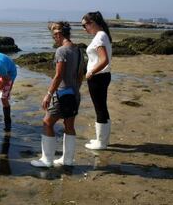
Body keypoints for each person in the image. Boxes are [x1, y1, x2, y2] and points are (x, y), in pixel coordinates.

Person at [31, 22, 84, 167]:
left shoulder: (61, 51)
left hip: (62, 94)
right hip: (74, 94)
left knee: (47, 123)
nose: (53, 38)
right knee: (69, 125)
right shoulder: (78, 50)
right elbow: (81, 74)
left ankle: (47, 160)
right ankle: (67, 160)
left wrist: (48, 94)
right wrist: (75, 90)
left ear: (58, 34)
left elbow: (58, 75)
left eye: (53, 35)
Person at [82, 11, 113, 150]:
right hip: (103, 76)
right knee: (102, 108)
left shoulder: (100, 37)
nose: (84, 29)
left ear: (92, 23)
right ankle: (103, 140)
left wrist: (91, 72)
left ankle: (101, 143)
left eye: (85, 25)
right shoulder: (102, 35)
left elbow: (104, 60)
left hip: (98, 77)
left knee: (99, 108)